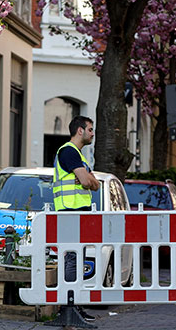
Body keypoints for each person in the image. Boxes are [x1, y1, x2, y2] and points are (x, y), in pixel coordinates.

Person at [53, 116, 101, 323]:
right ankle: (68, 308)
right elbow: (87, 181)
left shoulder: (80, 156)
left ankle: (74, 306)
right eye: (90, 129)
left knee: (78, 260)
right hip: (69, 212)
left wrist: (87, 180)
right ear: (80, 130)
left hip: (77, 213)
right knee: (73, 260)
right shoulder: (69, 151)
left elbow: (96, 184)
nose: (92, 133)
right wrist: (86, 179)